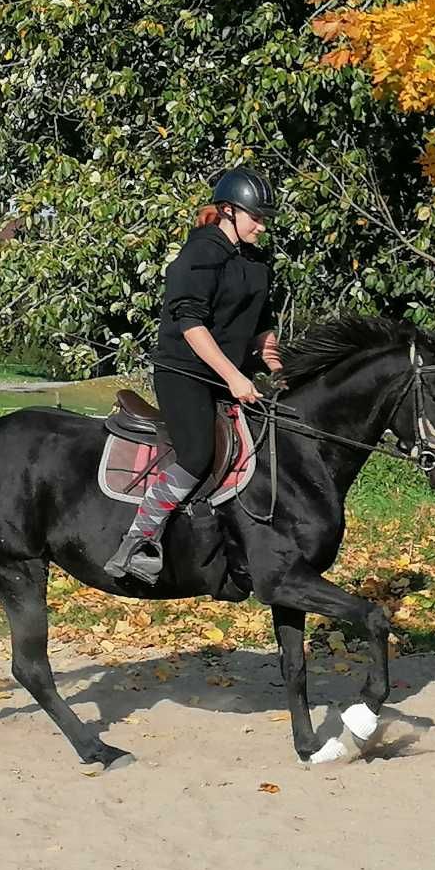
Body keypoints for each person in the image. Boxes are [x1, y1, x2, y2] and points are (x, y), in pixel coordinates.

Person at [105, 168, 284, 585]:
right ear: (228, 211)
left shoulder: (256, 262)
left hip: (231, 374)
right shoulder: (199, 254)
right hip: (184, 372)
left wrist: (276, 364)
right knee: (197, 453)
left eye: (264, 219)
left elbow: (263, 325)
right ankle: (138, 541)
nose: (261, 226)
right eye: (255, 218)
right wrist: (235, 377)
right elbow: (191, 325)